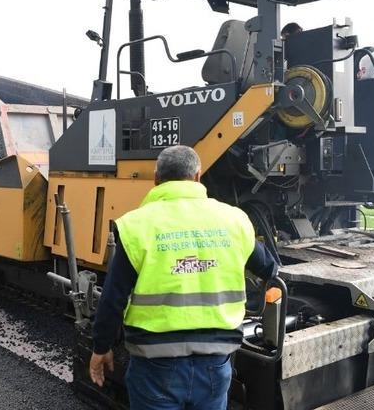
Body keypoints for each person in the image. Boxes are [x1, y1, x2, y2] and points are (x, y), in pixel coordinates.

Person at [89, 145, 277, 410]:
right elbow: (270, 269)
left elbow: (113, 297)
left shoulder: (136, 225)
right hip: (215, 363)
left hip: (155, 366)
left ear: (156, 179)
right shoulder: (234, 221)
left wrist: (101, 347)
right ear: (198, 177)